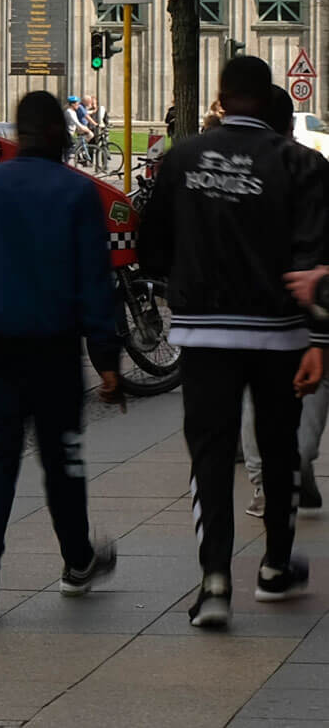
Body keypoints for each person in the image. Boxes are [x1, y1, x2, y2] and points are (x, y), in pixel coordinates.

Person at [138, 57, 326, 629]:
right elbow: (316, 257)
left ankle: (215, 581)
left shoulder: (183, 159)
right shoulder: (302, 163)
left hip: (205, 333)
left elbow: (151, 249)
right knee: (279, 448)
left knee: (212, 452)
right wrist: (318, 338)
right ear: (267, 95)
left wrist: (186, 282)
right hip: (279, 333)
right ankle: (273, 567)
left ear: (219, 98)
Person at [0, 91, 122, 623]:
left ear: (17, 135)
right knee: (61, 457)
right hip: (52, 348)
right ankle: (77, 561)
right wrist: (107, 359)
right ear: (61, 135)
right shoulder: (75, 192)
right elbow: (94, 281)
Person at [241, 86, 329, 517]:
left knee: (296, 413)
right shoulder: (235, 169)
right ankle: (269, 483)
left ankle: (295, 471)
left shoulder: (311, 168)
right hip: (266, 313)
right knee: (264, 401)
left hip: (301, 312)